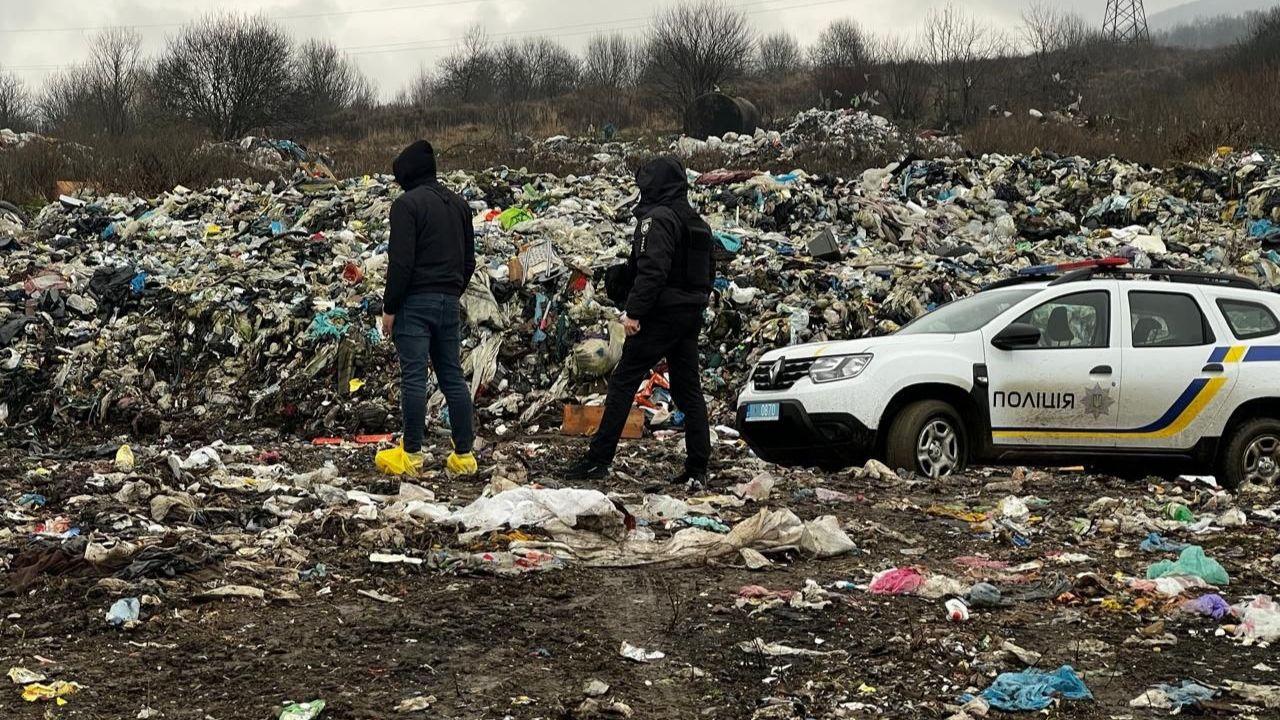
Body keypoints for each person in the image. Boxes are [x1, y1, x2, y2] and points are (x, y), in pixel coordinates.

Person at [566, 156, 714, 485]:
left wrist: (634, 312)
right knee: (689, 389)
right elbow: (708, 274)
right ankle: (698, 467)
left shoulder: (657, 219)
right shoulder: (697, 223)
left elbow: (652, 271)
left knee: (623, 381)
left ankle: (598, 459)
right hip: (690, 314)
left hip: (661, 314)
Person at [381, 140, 478, 477]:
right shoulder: (460, 205)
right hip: (449, 302)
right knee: (452, 376)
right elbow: (469, 262)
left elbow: (401, 264)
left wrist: (390, 307)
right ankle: (464, 456)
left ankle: (411, 455)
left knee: (414, 378)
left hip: (414, 305)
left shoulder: (406, 206)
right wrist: (451, 291)